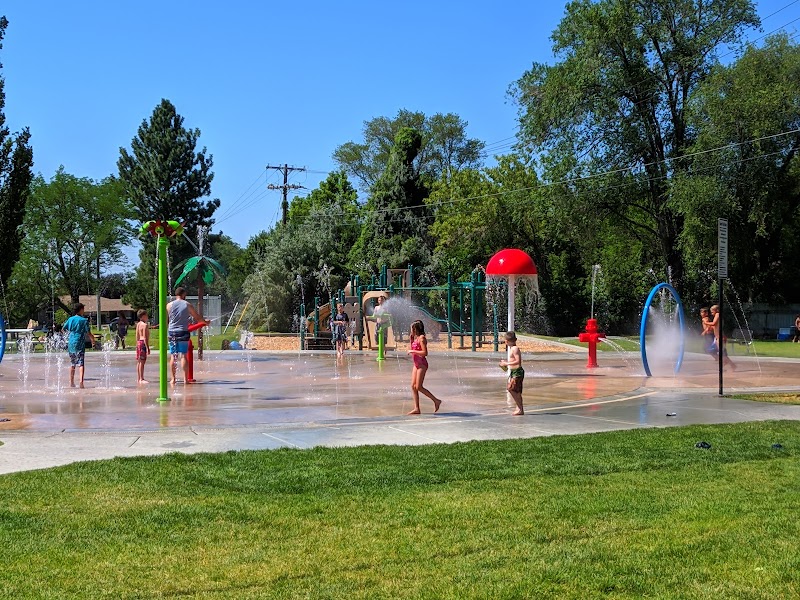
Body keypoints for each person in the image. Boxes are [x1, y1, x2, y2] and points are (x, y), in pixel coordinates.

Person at [166, 287, 206, 384]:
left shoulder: (169, 305)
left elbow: (167, 320)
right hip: (183, 331)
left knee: (173, 356)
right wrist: (204, 322)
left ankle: (173, 379)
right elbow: (196, 317)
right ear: (183, 294)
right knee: (183, 355)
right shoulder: (187, 304)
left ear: (176, 294)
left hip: (172, 331)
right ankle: (185, 379)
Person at [406, 319, 441, 415]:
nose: (411, 331)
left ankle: (436, 400)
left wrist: (413, 351)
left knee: (419, 387)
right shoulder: (416, 338)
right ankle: (417, 408)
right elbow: (412, 347)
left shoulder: (422, 338)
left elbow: (425, 353)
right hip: (416, 364)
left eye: (412, 329)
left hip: (422, 364)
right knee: (413, 386)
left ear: (416, 329)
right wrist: (411, 340)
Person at [62, 302, 95, 389]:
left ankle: (72, 382)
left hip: (71, 343)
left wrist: (67, 336)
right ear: (80, 310)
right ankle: (81, 382)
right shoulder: (84, 321)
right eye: (83, 309)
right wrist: (93, 340)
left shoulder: (71, 319)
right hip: (80, 343)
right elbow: (88, 333)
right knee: (81, 363)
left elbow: (63, 329)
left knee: (73, 363)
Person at [499, 331, 524, 416]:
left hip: (517, 372)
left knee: (511, 389)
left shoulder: (515, 349)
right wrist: (506, 362)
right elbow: (514, 360)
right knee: (516, 391)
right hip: (514, 372)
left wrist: (506, 364)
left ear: (506, 341)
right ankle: (519, 408)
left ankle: (520, 408)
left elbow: (518, 361)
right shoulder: (512, 349)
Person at [708, 305, 736, 370]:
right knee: (712, 351)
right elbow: (715, 326)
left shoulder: (718, 314)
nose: (711, 313)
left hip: (720, 337)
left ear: (716, 310)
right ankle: (725, 362)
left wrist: (706, 322)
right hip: (717, 338)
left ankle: (731, 365)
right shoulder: (717, 316)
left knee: (721, 353)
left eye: (712, 312)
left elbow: (714, 323)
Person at [135, 309, 150, 384]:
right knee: (142, 362)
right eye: (146, 315)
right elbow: (145, 337)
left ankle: (139, 378)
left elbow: (137, 335)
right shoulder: (145, 325)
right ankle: (141, 378)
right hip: (143, 343)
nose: (147, 317)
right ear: (143, 316)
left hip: (139, 343)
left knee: (139, 361)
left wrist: (136, 344)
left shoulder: (138, 324)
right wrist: (147, 347)